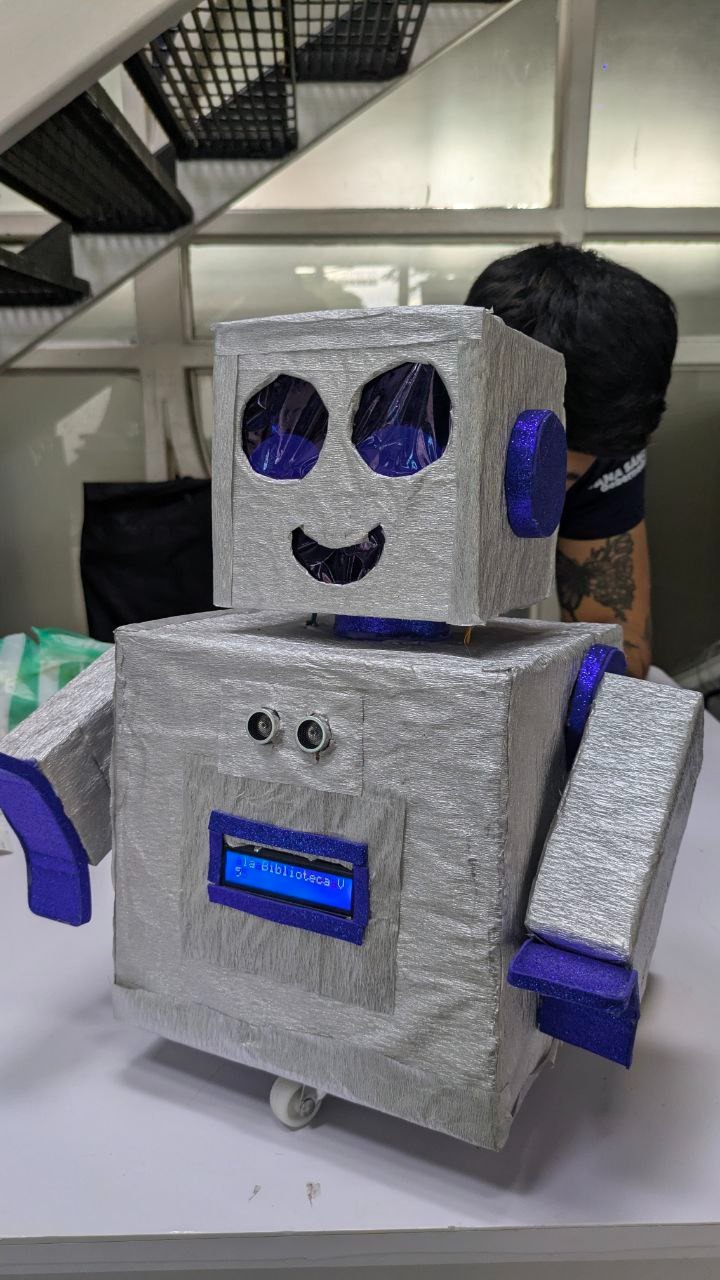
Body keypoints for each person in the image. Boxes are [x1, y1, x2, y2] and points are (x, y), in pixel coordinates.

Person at [465, 243, 678, 678]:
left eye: (564, 479)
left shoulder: (602, 432)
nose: (542, 491)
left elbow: (616, 639)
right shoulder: (388, 433)